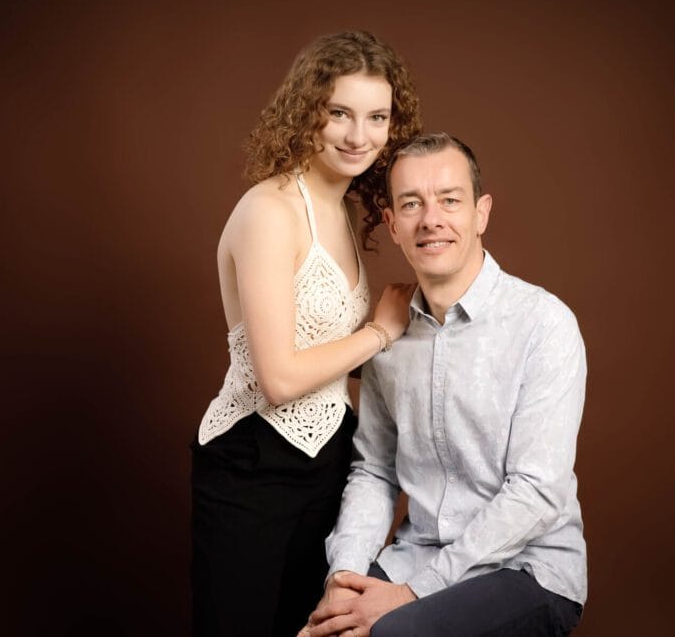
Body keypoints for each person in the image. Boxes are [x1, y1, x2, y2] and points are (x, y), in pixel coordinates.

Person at [302, 133, 587, 637]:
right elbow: (374, 472)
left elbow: (537, 492)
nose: (431, 219)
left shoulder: (543, 324)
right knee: (325, 629)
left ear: (481, 213)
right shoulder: (388, 340)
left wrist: (410, 595)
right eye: (412, 204)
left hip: (528, 569)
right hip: (418, 553)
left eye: (450, 200)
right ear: (392, 223)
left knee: (392, 635)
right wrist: (344, 576)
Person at [191, 31, 423, 636]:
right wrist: (379, 332)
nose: (358, 135)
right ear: (306, 110)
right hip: (252, 463)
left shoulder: (342, 211)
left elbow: (328, 363)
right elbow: (278, 378)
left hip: (329, 460)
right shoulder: (268, 210)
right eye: (340, 112)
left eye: (377, 117)